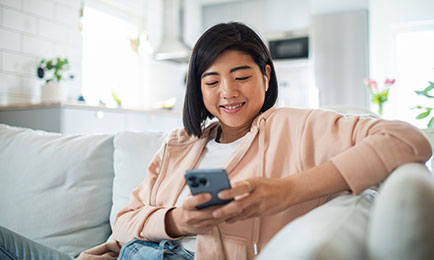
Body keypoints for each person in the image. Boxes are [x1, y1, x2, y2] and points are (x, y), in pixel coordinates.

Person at [0, 22, 432, 260]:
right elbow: (126, 217)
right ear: (198, 88)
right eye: (212, 80)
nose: (228, 91)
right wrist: (175, 222)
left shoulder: (297, 126)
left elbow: (409, 140)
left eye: (242, 76)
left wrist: (287, 191)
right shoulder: (179, 144)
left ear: (266, 75)